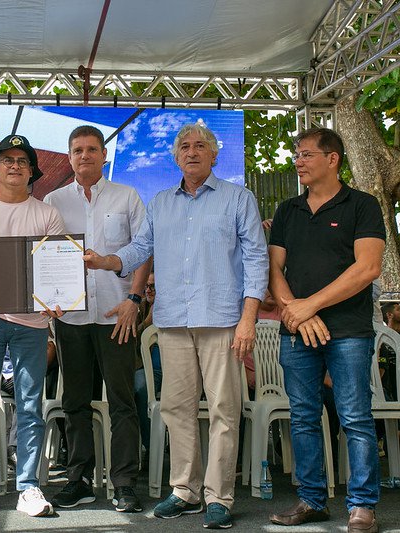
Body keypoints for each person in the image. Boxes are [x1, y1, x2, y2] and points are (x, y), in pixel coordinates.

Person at [84, 122, 268, 529]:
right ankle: (185, 490)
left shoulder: (239, 198)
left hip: (222, 319)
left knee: (224, 409)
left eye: (200, 145)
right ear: (175, 156)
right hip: (173, 321)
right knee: (176, 408)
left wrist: (249, 317)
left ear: (214, 155)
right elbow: (141, 249)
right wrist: (105, 261)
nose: (192, 152)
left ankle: (219, 497)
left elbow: (258, 260)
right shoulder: (161, 202)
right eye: (184, 146)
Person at [268, 127, 385, 533]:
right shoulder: (287, 210)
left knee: (354, 416)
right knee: (302, 416)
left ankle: (362, 506)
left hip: (349, 330)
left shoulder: (363, 205)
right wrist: (296, 312)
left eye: (305, 155)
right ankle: (312, 501)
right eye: (296, 155)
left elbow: (368, 268)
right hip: (298, 330)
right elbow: (273, 271)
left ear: (332, 159)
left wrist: (309, 306)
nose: (297, 161)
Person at [42, 125, 149, 512]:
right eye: (77, 150)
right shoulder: (52, 201)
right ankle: (79, 479)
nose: (84, 155)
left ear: (104, 155)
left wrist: (134, 299)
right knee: (75, 402)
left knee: (122, 401)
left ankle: (123, 483)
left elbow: (143, 250)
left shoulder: (128, 197)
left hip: (115, 315)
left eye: (91, 149)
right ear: (69, 157)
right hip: (70, 317)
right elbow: (43, 257)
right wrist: (46, 298)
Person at [0, 134, 64, 518]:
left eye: (22, 160)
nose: (14, 165)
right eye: (7, 159)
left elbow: (55, 266)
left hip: (33, 324)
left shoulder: (47, 214)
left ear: (32, 170)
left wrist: (59, 300)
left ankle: (29, 487)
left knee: (30, 407)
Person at [134, 271, 161, 460]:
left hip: (167, 369)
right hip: (143, 367)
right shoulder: (141, 308)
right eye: (146, 287)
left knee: (140, 386)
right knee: (137, 385)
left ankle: (154, 448)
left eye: (153, 287)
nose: (149, 291)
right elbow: (133, 339)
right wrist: (147, 322)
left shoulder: (171, 308)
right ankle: (146, 445)